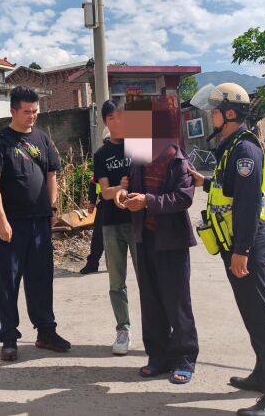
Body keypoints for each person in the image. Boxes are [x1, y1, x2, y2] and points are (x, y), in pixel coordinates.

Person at [189, 83, 265, 416]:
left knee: (262, 318)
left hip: (246, 242)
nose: (211, 116)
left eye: (215, 111)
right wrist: (204, 182)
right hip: (235, 241)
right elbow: (230, 188)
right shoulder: (231, 146)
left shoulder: (245, 150)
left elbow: (247, 203)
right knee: (251, 314)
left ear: (230, 113)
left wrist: (241, 251)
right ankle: (263, 374)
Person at [114, 96, 199, 385]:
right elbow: (134, 188)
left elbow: (184, 197)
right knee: (150, 301)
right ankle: (158, 357)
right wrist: (125, 196)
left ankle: (184, 359)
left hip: (171, 241)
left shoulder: (176, 157)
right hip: (145, 238)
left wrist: (148, 201)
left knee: (176, 302)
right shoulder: (138, 157)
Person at [0, 86, 71, 362]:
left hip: (40, 222)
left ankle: (46, 332)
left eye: (35, 111)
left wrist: (52, 208)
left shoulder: (42, 138)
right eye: (26, 111)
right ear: (13, 111)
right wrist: (1, 220)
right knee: (8, 282)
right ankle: (9, 337)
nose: (32, 116)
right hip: (12, 224)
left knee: (41, 279)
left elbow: (51, 174)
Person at [93, 99, 138, 355]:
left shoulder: (139, 146)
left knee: (147, 278)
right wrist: (120, 188)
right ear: (105, 122)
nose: (117, 122)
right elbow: (105, 192)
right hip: (111, 223)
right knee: (116, 281)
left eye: (122, 117)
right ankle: (123, 329)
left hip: (139, 222)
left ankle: (156, 328)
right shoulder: (101, 155)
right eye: (112, 118)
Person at [79, 175, 105, 274]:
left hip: (125, 200)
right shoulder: (100, 165)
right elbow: (94, 181)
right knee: (98, 235)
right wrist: (92, 201)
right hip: (105, 202)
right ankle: (92, 263)